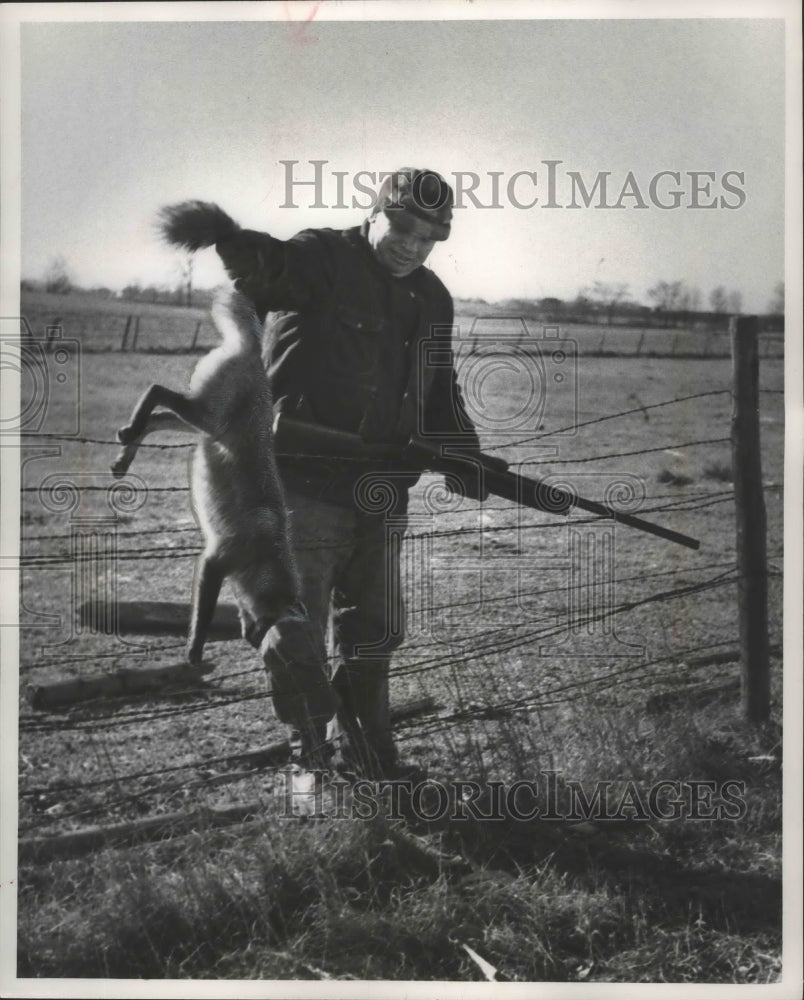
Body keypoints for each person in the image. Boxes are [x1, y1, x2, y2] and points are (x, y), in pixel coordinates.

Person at [215, 168, 490, 777]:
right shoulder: (323, 258)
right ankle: (310, 761)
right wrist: (232, 240)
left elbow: (438, 386)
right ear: (374, 213)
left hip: (382, 492)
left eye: (428, 238)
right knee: (297, 633)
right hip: (300, 487)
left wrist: (465, 453)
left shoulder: (433, 297)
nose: (412, 247)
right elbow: (270, 270)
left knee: (376, 631)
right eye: (403, 229)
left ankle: (370, 757)